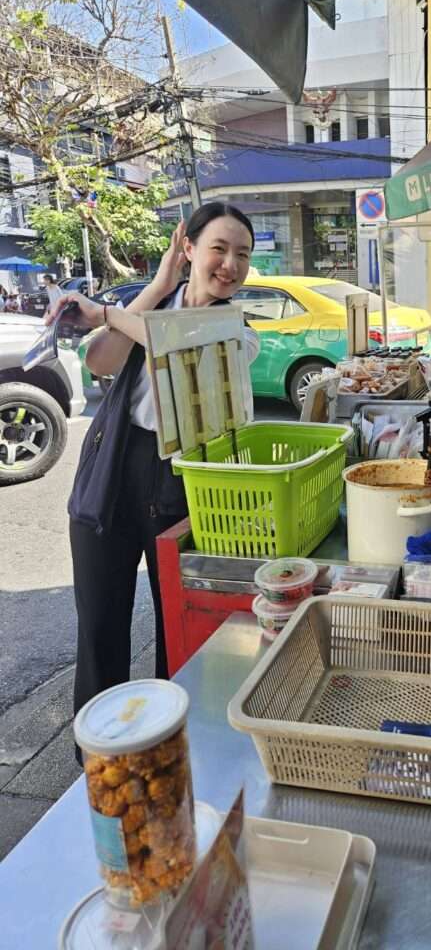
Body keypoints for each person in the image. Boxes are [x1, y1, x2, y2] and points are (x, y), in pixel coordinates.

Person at [53, 203, 259, 741]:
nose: (230, 265)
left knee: (177, 623)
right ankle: (100, 757)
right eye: (219, 249)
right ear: (188, 248)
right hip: (113, 469)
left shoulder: (236, 329)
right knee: (100, 626)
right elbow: (100, 360)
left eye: (242, 254)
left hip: (181, 480)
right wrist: (158, 285)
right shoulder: (150, 307)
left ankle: (171, 746)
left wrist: (106, 311)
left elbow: (176, 340)